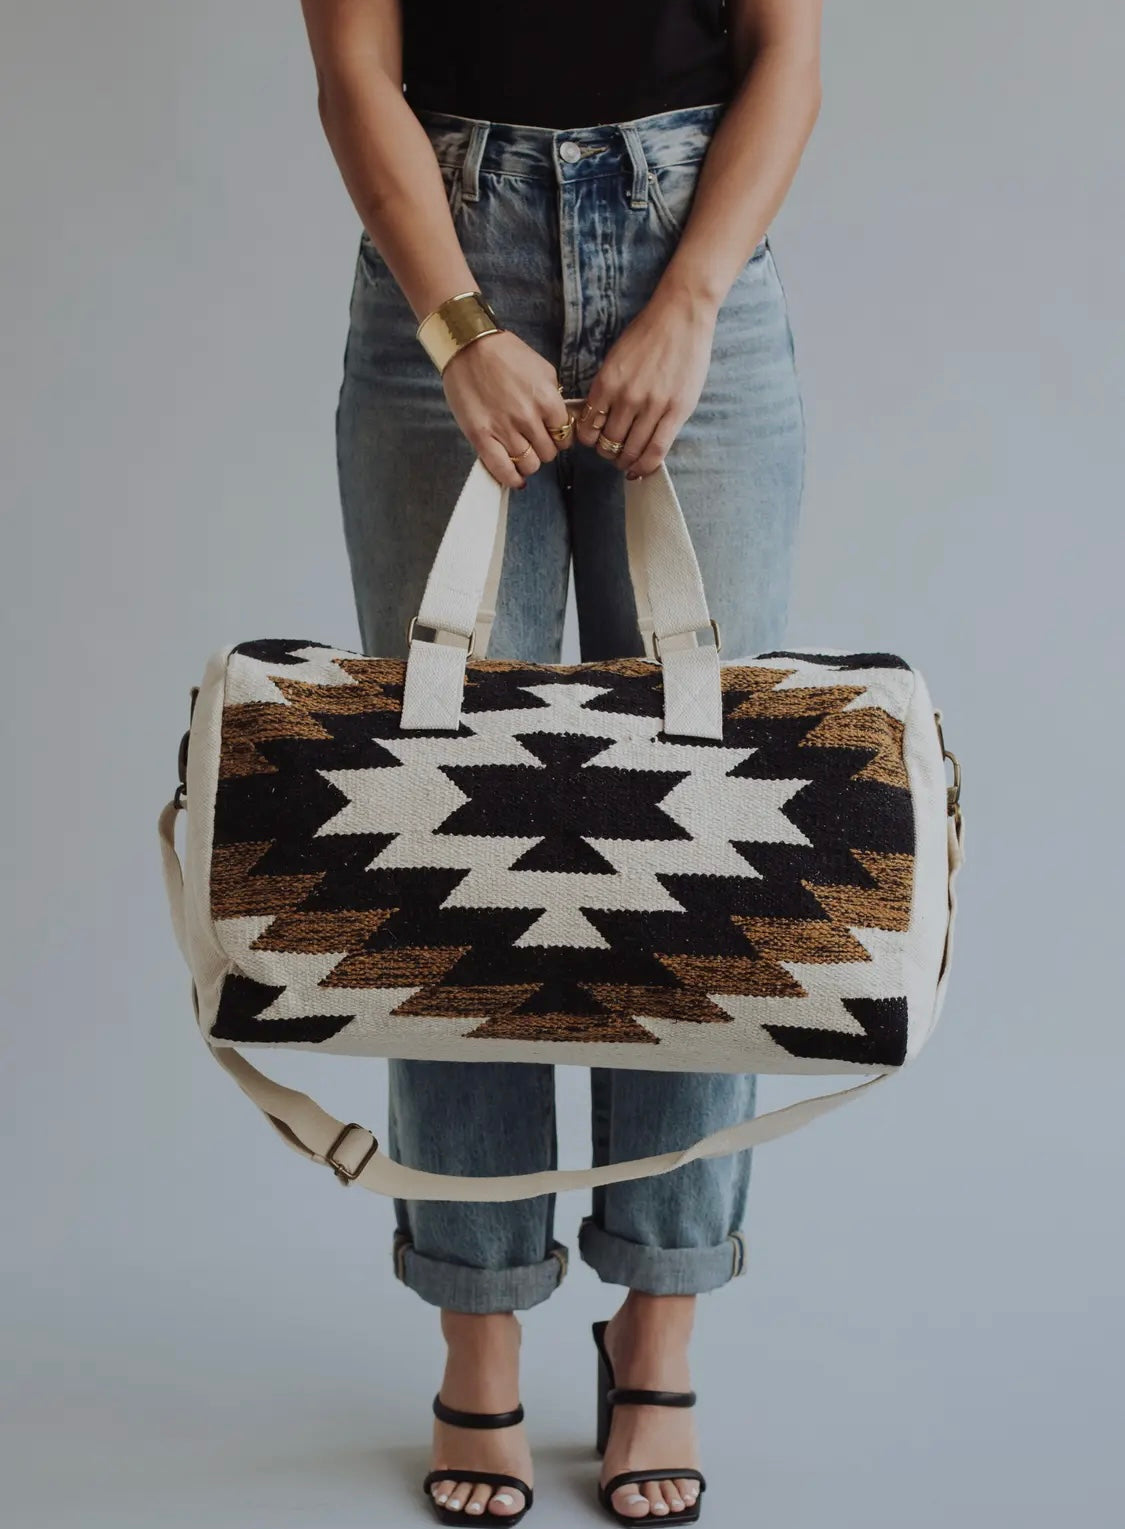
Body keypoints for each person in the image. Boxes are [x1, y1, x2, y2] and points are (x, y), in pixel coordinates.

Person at [300, 2, 822, 1522]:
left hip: (692, 234)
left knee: (700, 837)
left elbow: (784, 47)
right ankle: (478, 1336)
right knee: (450, 828)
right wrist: (459, 324)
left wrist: (693, 296)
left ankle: (655, 1327)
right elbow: (352, 69)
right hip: (444, 253)